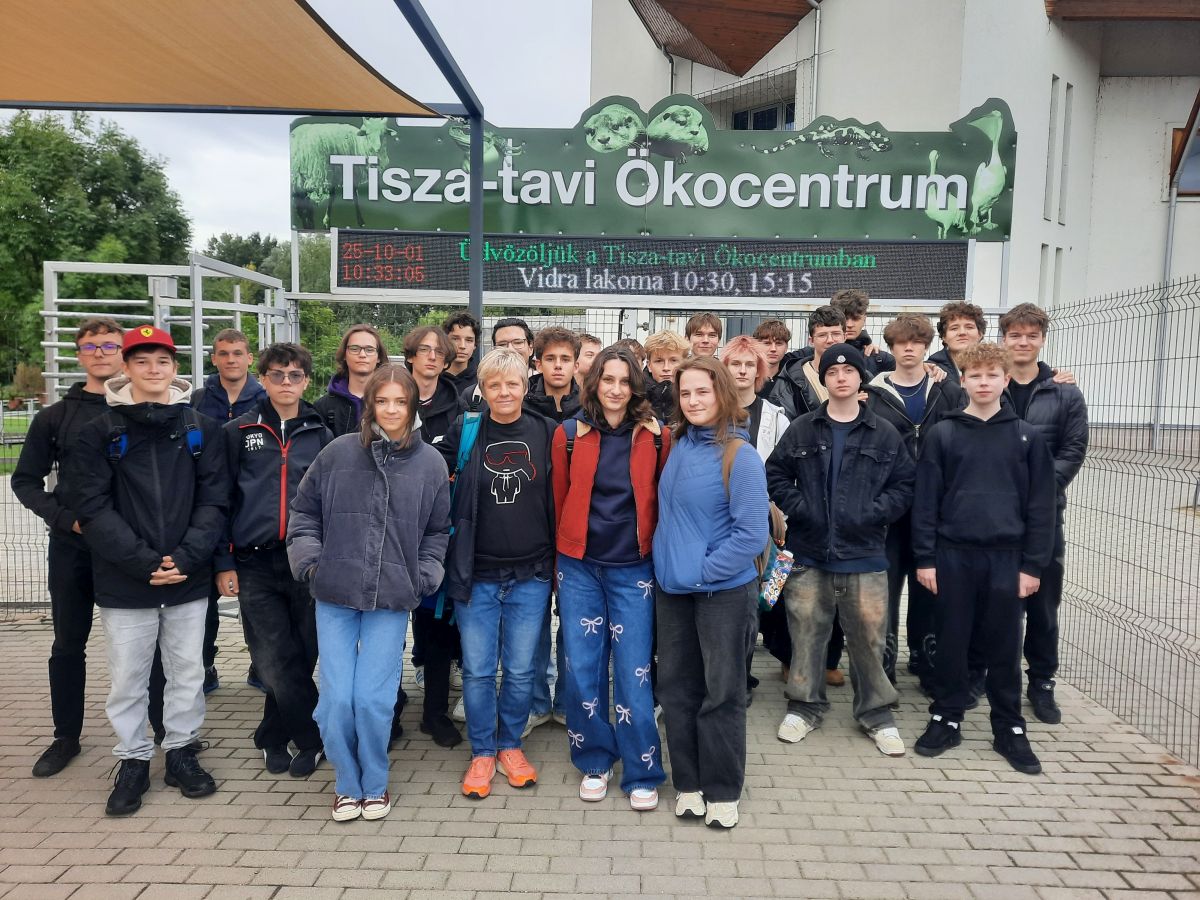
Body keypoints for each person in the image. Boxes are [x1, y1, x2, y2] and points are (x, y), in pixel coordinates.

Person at [67, 326, 227, 816]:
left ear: (175, 368)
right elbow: (91, 506)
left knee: (187, 672)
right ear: (127, 367)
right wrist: (141, 560)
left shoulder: (201, 429)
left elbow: (215, 500)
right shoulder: (100, 431)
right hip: (125, 580)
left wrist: (186, 557)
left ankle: (180, 752)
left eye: (162, 361)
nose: (153, 369)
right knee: (128, 678)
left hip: (187, 577)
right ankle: (134, 759)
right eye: (142, 361)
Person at [288, 364, 451, 821]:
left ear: (413, 405)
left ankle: (375, 782)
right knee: (337, 699)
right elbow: (304, 513)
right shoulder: (338, 452)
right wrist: (311, 563)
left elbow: (438, 530)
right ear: (369, 405)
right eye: (383, 401)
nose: (392, 410)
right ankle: (347, 783)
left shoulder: (431, 463)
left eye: (401, 401)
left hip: (392, 597)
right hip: (334, 592)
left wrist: (424, 576)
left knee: (373, 699)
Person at [911, 343, 1057, 775]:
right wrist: (925, 558)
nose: (984, 382)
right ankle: (947, 716)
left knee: (1004, 646)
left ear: (1005, 380)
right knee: (952, 640)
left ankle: (1009, 726)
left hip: (1007, 559)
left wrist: (1033, 566)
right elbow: (926, 501)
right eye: (975, 375)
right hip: (952, 556)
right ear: (963, 380)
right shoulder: (943, 434)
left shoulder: (1027, 437)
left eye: (992, 375)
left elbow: (1041, 507)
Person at [766, 343, 915, 758]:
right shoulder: (803, 428)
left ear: (860, 377)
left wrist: (874, 513)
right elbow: (775, 473)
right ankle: (804, 706)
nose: (841, 377)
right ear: (825, 379)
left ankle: (877, 714)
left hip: (864, 553)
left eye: (849, 371)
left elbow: (905, 484)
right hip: (809, 552)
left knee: (869, 637)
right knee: (806, 632)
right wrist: (800, 508)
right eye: (833, 372)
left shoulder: (883, 432)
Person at [552, 346, 671, 811]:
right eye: (608, 380)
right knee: (582, 670)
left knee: (634, 672)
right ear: (595, 383)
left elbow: (663, 500)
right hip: (579, 566)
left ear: (635, 387)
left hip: (634, 569)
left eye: (625, 381)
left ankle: (642, 769)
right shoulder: (568, 434)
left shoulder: (657, 437)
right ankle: (595, 760)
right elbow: (558, 499)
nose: (616, 389)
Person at [653, 356, 769, 829]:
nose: (693, 401)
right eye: (685, 393)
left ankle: (722, 788)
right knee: (676, 689)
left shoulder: (741, 456)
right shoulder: (677, 445)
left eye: (702, 391)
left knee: (721, 692)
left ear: (722, 393)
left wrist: (702, 571)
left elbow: (751, 534)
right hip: (673, 592)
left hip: (721, 594)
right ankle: (688, 783)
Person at [438, 348, 557, 800]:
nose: (504, 392)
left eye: (512, 384)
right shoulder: (466, 430)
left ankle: (511, 745)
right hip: (477, 574)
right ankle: (483, 750)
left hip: (531, 572)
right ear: (482, 390)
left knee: (522, 669)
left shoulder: (547, 431)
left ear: (525, 386)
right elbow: (428, 473)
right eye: (494, 385)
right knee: (478, 671)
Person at [12, 318, 124, 778]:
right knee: (67, 644)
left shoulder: (141, 410)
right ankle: (66, 736)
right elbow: (25, 481)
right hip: (73, 546)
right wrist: (63, 518)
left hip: (128, 550)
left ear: (123, 354)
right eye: (91, 347)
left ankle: (165, 735)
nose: (100, 354)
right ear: (79, 355)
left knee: (145, 645)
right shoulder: (54, 418)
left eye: (109, 346)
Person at [216, 343, 331, 777]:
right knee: (271, 657)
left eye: (295, 375)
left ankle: (271, 734)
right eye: (277, 374)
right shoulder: (237, 432)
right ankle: (314, 736)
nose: (286, 382)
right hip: (254, 562)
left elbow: (331, 501)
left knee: (302, 653)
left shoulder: (321, 435)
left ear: (306, 381)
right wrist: (222, 561)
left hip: (307, 561)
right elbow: (220, 500)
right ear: (262, 378)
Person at [863, 314, 965, 685]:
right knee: (885, 591)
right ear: (891, 348)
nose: (909, 349)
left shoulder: (947, 391)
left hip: (936, 508)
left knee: (930, 588)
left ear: (926, 346)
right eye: (901, 343)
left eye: (916, 342)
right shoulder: (872, 395)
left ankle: (926, 662)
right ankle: (884, 668)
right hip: (889, 511)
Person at [999, 303, 1088, 724]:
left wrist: (1038, 492)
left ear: (1042, 340)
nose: (1023, 342)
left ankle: (1042, 683)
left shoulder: (1065, 393)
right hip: (994, 515)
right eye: (1015, 335)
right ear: (1004, 339)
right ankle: (996, 679)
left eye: (1031, 335)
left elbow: (1073, 449)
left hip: (1044, 515)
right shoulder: (988, 386)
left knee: (1043, 605)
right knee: (999, 602)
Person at [766, 306, 850, 686]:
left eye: (836, 333)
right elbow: (780, 454)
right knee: (789, 585)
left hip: (842, 508)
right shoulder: (789, 382)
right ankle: (789, 657)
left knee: (837, 589)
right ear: (811, 337)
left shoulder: (858, 376)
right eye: (823, 334)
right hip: (801, 504)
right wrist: (795, 504)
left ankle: (829, 659)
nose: (830, 340)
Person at [190, 328, 266, 696]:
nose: (231, 359)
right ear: (214, 358)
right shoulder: (199, 400)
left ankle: (261, 664)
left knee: (255, 597)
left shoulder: (264, 399)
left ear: (250, 358)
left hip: (249, 507)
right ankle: (205, 664)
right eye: (224, 353)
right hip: (206, 506)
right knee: (204, 597)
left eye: (238, 353)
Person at [402, 325, 466, 748]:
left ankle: (435, 713)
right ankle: (388, 708)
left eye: (438, 352)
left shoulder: (458, 408)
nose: (431, 357)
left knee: (437, 620)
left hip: (437, 530)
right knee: (389, 625)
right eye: (423, 350)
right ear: (409, 355)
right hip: (392, 529)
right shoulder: (389, 396)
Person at [721, 336, 792, 693]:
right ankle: (734, 678)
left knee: (764, 598)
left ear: (760, 371)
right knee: (733, 603)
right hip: (720, 520)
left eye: (750, 365)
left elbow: (786, 472)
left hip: (765, 524)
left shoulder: (775, 417)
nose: (743, 371)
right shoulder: (711, 412)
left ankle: (765, 667)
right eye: (735, 364)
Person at [315, 324, 388, 436]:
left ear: (378, 357)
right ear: (344, 354)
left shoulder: (392, 403)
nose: (362, 355)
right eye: (354, 349)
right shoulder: (323, 407)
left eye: (369, 350)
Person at [830, 289, 896, 377]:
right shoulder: (815, 354)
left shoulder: (883, 360)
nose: (849, 325)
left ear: (864, 319)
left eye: (856, 318)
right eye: (845, 318)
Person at [525, 327, 581, 424]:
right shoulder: (523, 407)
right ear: (539, 365)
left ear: (575, 367)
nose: (558, 365)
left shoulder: (589, 408)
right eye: (550, 359)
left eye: (565, 359)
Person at [928, 301, 987, 384]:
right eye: (954, 328)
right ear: (944, 336)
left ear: (980, 334)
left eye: (969, 327)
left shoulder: (996, 367)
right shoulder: (931, 370)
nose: (962, 332)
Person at [643, 329, 688, 422]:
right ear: (649, 365)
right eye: (659, 361)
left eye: (673, 360)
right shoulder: (636, 396)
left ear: (684, 363)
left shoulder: (694, 394)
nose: (666, 368)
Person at [752, 318, 793, 400]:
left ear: (786, 347)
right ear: (756, 346)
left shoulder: (792, 375)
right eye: (767, 343)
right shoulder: (747, 374)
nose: (773, 349)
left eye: (779, 343)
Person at [442, 310, 480, 395]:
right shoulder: (433, 376)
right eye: (455, 339)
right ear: (445, 341)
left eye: (469, 340)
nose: (462, 346)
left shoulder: (482, 379)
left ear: (475, 345)